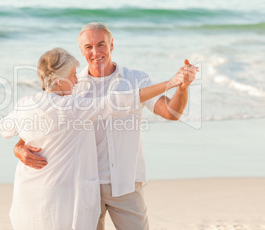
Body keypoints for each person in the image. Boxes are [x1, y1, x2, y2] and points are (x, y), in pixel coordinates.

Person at [13, 23, 198, 230]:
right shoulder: (71, 84)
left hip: (126, 183)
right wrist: (19, 146)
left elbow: (171, 112)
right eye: (88, 47)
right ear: (82, 51)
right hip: (83, 185)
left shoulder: (136, 79)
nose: (95, 52)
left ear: (112, 44)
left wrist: (182, 87)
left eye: (101, 44)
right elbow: (45, 121)